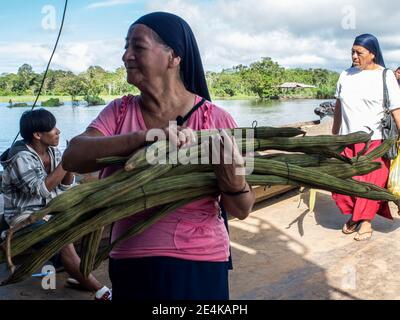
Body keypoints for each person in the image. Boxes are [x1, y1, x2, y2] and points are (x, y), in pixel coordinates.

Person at [63, 12, 255, 300]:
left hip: (200, 262)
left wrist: (232, 181)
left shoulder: (215, 120)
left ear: (173, 56)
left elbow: (241, 209)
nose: (126, 56)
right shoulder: (119, 112)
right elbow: (73, 157)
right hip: (131, 261)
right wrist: (142, 139)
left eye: (137, 47)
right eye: (125, 46)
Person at [0, 109, 111, 300]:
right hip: (23, 217)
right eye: (52, 129)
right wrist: (67, 160)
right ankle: (101, 290)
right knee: (61, 237)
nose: (58, 131)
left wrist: (71, 160)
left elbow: (66, 185)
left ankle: (77, 270)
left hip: (51, 209)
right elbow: (41, 190)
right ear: (37, 135)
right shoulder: (20, 158)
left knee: (96, 213)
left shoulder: (51, 150)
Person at [332, 34, 400, 241]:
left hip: (375, 140)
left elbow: (396, 108)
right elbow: (339, 104)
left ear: (372, 54)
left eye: (359, 52)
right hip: (346, 138)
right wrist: (334, 132)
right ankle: (356, 215)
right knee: (344, 183)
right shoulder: (345, 75)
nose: (354, 56)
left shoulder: (385, 76)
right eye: (352, 52)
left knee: (368, 183)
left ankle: (365, 222)